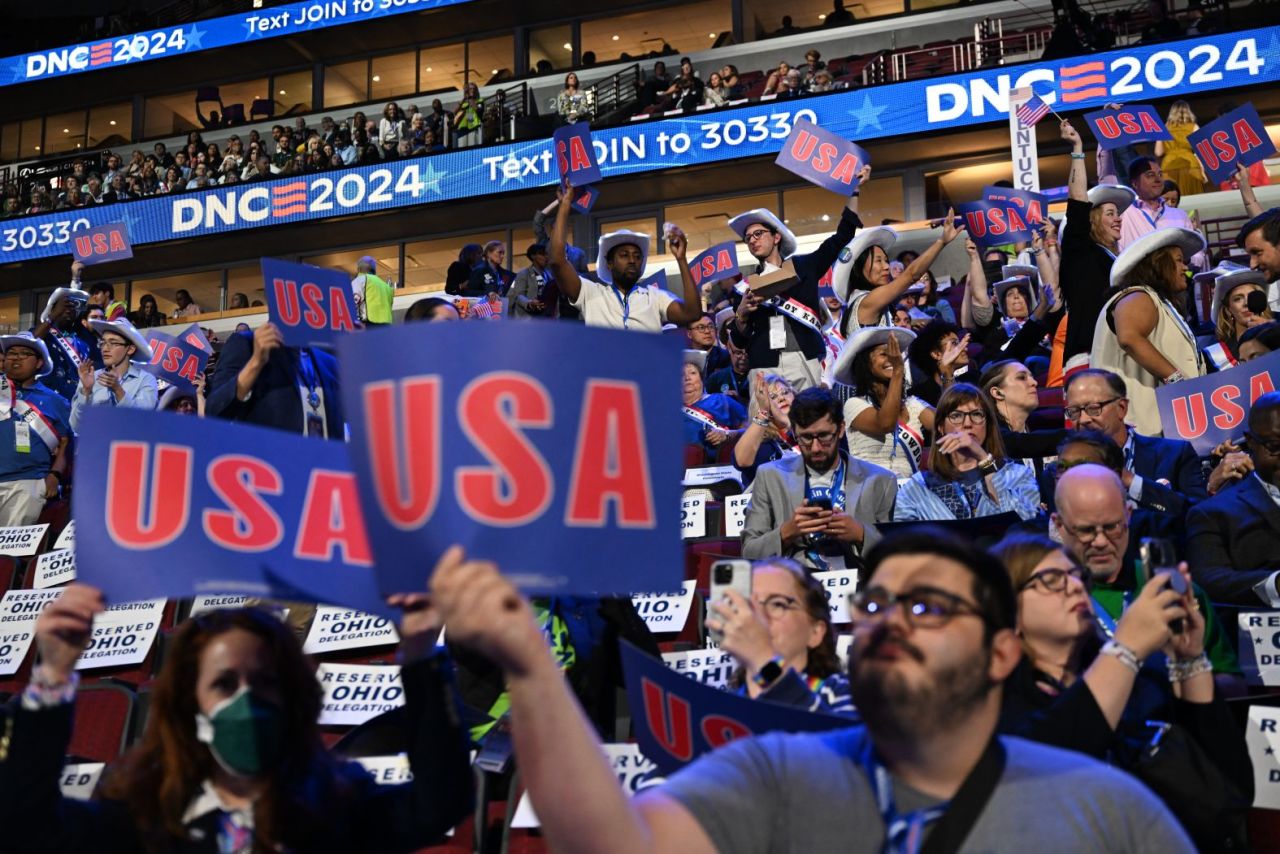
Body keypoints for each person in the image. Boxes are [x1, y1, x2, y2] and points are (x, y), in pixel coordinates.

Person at [429, 532, 1195, 854]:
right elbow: (612, 842)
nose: (892, 619)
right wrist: (529, 666)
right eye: (878, 602)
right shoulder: (774, 774)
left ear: (1001, 654)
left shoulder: (1107, 809)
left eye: (927, 606)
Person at [0, 584, 473, 852]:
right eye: (224, 685)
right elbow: (24, 824)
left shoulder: (338, 810)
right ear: (190, 705)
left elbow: (441, 803)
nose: (248, 701)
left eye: (266, 682)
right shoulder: (140, 820)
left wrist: (421, 658)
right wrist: (52, 676)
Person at [992, 534, 1251, 850]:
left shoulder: (1139, 681)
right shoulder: (994, 701)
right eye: (1051, 580)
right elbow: (1039, 775)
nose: (1075, 586)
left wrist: (1189, 658)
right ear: (1008, 612)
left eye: (1076, 576)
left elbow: (1232, 789)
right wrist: (1126, 647)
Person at [1053, 464, 1237, 675]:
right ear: (1059, 526)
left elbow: (1231, 681)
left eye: (1112, 526)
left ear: (1128, 515)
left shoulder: (1175, 591)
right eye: (1086, 530)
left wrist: (1187, 664)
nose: (1101, 541)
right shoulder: (1045, 600)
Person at [727, 174, 871, 396]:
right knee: (770, 428)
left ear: (776, 237)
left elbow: (842, 237)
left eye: (758, 234)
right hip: (764, 363)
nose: (753, 240)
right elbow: (738, 340)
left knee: (808, 421)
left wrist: (854, 191)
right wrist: (742, 314)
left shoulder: (804, 266)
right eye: (748, 238)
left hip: (805, 356)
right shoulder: (744, 288)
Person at [742, 387, 896, 569]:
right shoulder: (770, 476)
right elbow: (749, 552)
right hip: (794, 583)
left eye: (823, 436)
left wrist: (860, 534)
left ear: (840, 430)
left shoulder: (881, 480)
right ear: (795, 434)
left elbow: (896, 557)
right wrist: (787, 532)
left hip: (856, 584)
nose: (815, 448)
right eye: (806, 438)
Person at [1091, 228, 1206, 435]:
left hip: (1162, 431)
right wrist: (1177, 381)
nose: (1185, 267)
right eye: (1179, 260)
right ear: (1159, 264)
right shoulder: (1138, 295)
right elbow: (1129, 337)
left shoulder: (1156, 301)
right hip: (1143, 433)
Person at [705, 558, 855, 716]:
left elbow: (833, 737)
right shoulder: (717, 709)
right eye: (748, 605)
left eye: (777, 604)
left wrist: (762, 661)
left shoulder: (846, 692)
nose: (756, 617)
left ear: (815, 632)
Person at [547, 183, 702, 330]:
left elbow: (692, 313)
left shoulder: (654, 297)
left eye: (637, 256)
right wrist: (565, 205)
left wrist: (681, 259)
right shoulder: (591, 293)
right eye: (624, 255)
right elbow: (557, 261)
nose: (632, 260)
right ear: (609, 263)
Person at [1063, 369, 1207, 517]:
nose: (1083, 419)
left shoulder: (1174, 453)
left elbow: (1201, 517)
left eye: (1093, 408)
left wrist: (1131, 481)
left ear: (1121, 408)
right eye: (1074, 411)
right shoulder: (1060, 472)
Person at [894, 384, 1040, 522]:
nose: (967, 423)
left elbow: (1021, 524)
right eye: (956, 416)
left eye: (976, 414)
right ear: (941, 427)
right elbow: (900, 539)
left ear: (987, 425)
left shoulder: (1018, 475)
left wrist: (984, 459)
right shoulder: (919, 486)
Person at [1186, 392, 1280, 606]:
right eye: (1274, 447)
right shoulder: (1212, 514)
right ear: (1250, 442)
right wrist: (1275, 585)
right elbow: (1208, 581)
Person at [832, 212, 964, 338]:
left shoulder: (872, 301)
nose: (886, 266)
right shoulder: (866, 300)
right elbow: (911, 275)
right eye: (878, 261)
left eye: (886, 260)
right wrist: (941, 242)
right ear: (860, 269)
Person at [206, 323, 343, 439]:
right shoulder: (247, 342)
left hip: (325, 465)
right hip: (272, 464)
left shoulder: (330, 360)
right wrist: (256, 362)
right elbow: (214, 410)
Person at [833, 326, 934, 478]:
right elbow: (885, 424)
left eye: (894, 355)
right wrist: (898, 371)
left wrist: (947, 374)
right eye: (883, 354)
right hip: (870, 489)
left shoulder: (912, 404)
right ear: (866, 364)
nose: (893, 359)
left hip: (909, 494)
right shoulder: (854, 404)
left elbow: (947, 424)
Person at [0, 333, 71, 526]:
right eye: (11, 353)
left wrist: (54, 475)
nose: (16, 358)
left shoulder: (55, 401)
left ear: (39, 363)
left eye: (24, 354)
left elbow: (66, 443)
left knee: (9, 554)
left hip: (28, 483)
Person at [981, 359, 1063, 486]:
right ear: (997, 392)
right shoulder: (987, 432)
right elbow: (1016, 443)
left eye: (1032, 377)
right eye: (1022, 377)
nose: (1034, 383)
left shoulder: (1034, 428)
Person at [70, 318, 159, 432]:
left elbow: (142, 421)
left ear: (130, 349)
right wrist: (86, 391)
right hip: (95, 447)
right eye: (102, 343)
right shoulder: (91, 377)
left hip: (125, 448)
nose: (105, 349)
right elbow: (76, 427)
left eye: (113, 343)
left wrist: (118, 390)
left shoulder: (145, 379)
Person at [33, 279, 92, 401]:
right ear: (53, 309)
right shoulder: (43, 333)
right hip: (46, 400)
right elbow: (31, 342)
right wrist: (53, 316)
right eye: (64, 306)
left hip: (74, 402)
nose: (69, 309)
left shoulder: (83, 343)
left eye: (73, 306)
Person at [734, 372, 796, 487]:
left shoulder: (807, 432)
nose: (782, 398)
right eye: (772, 397)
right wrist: (764, 412)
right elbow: (741, 461)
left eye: (785, 392)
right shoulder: (760, 444)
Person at [1204, 263, 1272, 368]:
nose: (1246, 303)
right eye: (1238, 299)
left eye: (1252, 297)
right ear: (1228, 310)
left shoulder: (1276, 334)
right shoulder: (1217, 355)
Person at [682, 357, 746, 463]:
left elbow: (751, 428)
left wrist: (727, 435)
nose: (687, 378)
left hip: (721, 466)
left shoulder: (721, 400)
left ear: (702, 379)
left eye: (693, 373)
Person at [907, 320, 972, 407]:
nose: (964, 348)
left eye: (960, 342)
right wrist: (947, 371)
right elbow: (952, 414)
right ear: (936, 354)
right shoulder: (918, 396)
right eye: (954, 343)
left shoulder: (973, 379)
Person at [1154, 101, 1206, 197]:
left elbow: (1158, 152)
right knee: (1195, 200)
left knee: (1172, 201)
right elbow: (1202, 152)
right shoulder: (1194, 127)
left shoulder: (1165, 128)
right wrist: (1203, 170)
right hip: (1190, 165)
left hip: (1169, 166)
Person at [509, 243, 557, 318]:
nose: (546, 257)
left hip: (546, 317)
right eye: (542, 254)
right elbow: (518, 295)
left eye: (547, 254)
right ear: (533, 256)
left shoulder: (550, 275)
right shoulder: (524, 273)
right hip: (528, 318)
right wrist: (530, 303)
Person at [351, 255, 393, 326]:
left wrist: (357, 324)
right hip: (386, 326)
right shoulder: (386, 286)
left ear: (359, 269)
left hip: (368, 324)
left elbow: (354, 301)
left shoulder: (360, 280)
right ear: (374, 270)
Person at [452, 83, 483, 148]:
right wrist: (464, 98)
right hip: (463, 129)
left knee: (473, 148)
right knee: (462, 149)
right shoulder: (463, 102)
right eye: (470, 88)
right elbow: (455, 112)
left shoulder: (479, 100)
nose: (472, 90)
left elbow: (477, 109)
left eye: (474, 89)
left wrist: (469, 99)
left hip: (474, 127)